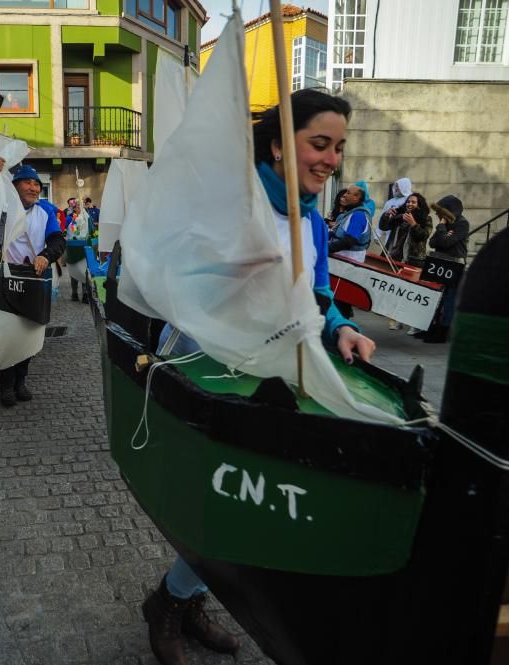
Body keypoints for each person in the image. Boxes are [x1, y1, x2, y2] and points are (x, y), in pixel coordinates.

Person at [142, 89, 377, 665]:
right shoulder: (231, 202)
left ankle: (177, 599)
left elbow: (316, 297)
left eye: (338, 148)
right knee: (212, 499)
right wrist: (232, 272)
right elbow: (173, 271)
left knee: (245, 505)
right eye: (318, 143)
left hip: (269, 376)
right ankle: (173, 604)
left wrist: (341, 328)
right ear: (278, 145)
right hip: (204, 369)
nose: (330, 159)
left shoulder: (313, 223)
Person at [0, 161, 66, 407]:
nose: (33, 187)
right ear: (14, 186)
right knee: (3, 333)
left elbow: (57, 240)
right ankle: (6, 385)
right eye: (28, 182)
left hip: (31, 279)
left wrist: (46, 255)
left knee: (27, 333)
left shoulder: (46, 212)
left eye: (36, 184)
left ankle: (21, 380)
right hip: (0, 278)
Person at [378, 192, 433, 332]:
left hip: (414, 260)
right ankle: (397, 320)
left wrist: (414, 224)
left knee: (412, 293)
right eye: (408, 202)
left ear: (419, 204)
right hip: (396, 258)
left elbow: (424, 236)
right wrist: (386, 215)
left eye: (413, 202)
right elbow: (384, 227)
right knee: (397, 291)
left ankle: (414, 323)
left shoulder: (426, 218)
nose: (410, 204)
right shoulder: (400, 217)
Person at [421, 194, 469, 344]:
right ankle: (431, 327)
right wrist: (444, 232)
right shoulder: (446, 224)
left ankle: (443, 332)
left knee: (449, 300)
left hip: (454, 266)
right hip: (441, 264)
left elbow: (448, 243)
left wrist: (442, 227)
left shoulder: (462, 223)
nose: (437, 215)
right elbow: (434, 242)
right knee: (437, 298)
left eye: (440, 212)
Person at [327, 181, 373, 263]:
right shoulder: (348, 213)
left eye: (348, 193)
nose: (344, 195)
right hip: (340, 260)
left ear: (356, 197)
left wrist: (325, 248)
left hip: (347, 263)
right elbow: (334, 233)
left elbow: (349, 241)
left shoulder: (358, 216)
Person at [376, 177, 412, 249]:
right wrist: (378, 234)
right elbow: (382, 217)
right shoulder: (390, 202)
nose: (396, 188)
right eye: (396, 186)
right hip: (390, 231)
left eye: (398, 186)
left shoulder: (410, 200)